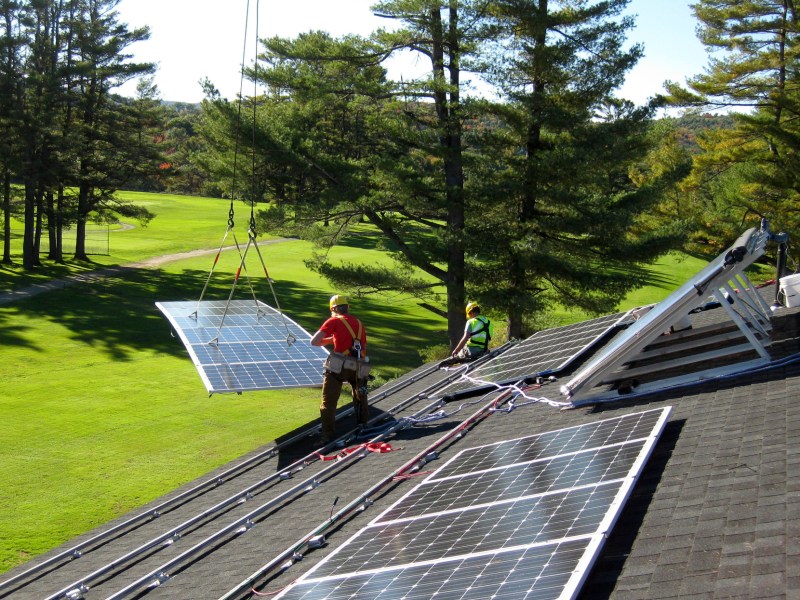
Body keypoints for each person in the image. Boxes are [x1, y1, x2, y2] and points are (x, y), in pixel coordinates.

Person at [310, 295, 369, 444]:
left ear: (334, 309)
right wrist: (333, 338)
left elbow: (314, 341)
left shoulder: (334, 320)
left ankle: (326, 435)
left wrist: (330, 339)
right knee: (360, 395)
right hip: (359, 364)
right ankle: (363, 424)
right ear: (347, 307)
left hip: (339, 365)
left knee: (328, 402)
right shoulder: (358, 322)